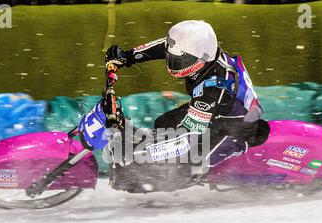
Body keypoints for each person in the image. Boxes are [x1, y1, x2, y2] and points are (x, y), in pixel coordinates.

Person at [105, 20, 263, 167]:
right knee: (164, 124)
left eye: (178, 61)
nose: (171, 63)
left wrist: (136, 153)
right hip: (220, 113)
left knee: (182, 165)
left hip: (231, 131)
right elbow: (166, 46)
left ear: (201, 60)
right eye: (172, 58)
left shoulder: (214, 89)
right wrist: (126, 57)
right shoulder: (205, 55)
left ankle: (187, 191)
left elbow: (185, 141)